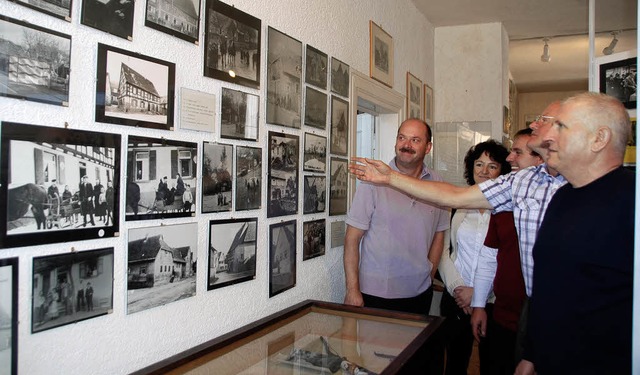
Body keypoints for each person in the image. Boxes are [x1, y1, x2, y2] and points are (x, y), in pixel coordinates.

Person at [516, 92, 634, 374]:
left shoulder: (633, 201)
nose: (548, 138)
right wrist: (531, 354)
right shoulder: (563, 197)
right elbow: (549, 290)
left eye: (561, 127)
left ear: (599, 139)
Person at [344, 118, 448, 374]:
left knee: (412, 363)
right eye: (402, 137)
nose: (406, 145)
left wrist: (429, 272)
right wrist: (353, 290)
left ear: (428, 147)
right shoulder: (372, 181)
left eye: (415, 140)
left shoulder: (438, 184)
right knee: (376, 365)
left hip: (418, 295)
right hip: (376, 294)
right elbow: (352, 239)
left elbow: (439, 234)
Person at [470, 128, 543, 375]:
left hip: (538, 321)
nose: (510, 158)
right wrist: (479, 304)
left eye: (517, 152)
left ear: (540, 158)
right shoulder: (501, 207)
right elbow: (489, 257)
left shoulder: (557, 199)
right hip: (502, 315)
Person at [438, 140, 511, 375]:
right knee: (455, 365)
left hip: (493, 303)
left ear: (503, 171)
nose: (484, 171)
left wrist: (478, 295)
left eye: (492, 166)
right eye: (479, 164)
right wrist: (458, 288)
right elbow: (443, 253)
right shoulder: (456, 206)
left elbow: (507, 261)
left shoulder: (509, 209)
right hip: (456, 298)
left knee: (493, 365)